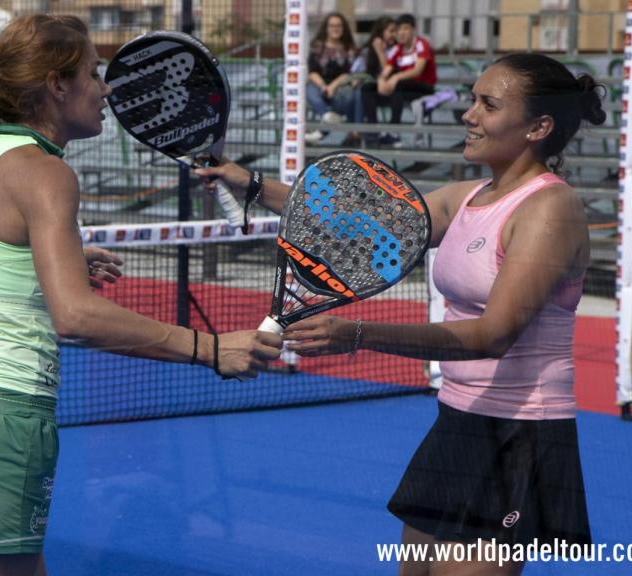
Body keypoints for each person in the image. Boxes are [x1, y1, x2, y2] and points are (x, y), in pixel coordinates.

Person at [0, 14, 282, 576]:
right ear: (56, 85)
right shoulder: (46, 173)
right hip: (1, 414)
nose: (106, 90)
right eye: (94, 74)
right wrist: (211, 348)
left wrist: (60, 261)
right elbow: (74, 316)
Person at [196, 52, 606, 575]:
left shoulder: (551, 209)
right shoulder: (468, 198)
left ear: (538, 127)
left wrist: (359, 334)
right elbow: (350, 223)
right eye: (472, 100)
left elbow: (493, 335)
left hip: (519, 432)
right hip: (458, 418)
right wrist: (248, 183)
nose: (469, 115)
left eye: (488, 104)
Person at [360, 13, 436, 147]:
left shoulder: (421, 44)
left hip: (423, 86)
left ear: (413, 30)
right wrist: (381, 81)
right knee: (367, 88)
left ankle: (393, 132)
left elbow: (417, 70)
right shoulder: (397, 48)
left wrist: (395, 77)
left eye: (405, 28)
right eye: (398, 29)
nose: (401, 33)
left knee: (397, 87)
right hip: (403, 87)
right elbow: (387, 69)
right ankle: (373, 131)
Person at [304, 12, 358, 145]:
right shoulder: (317, 47)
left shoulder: (350, 49)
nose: (336, 29)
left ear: (343, 28)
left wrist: (333, 86)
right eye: (332, 26)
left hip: (341, 85)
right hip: (320, 84)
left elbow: (349, 73)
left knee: (350, 95)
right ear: (326, 28)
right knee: (309, 90)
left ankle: (323, 131)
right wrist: (324, 87)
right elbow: (312, 72)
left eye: (339, 26)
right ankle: (327, 115)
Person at [344, 16, 396, 147]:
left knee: (361, 91)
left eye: (394, 31)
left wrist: (380, 52)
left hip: (384, 90)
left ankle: (355, 133)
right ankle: (355, 132)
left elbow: (388, 73)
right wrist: (356, 79)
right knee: (354, 93)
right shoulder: (367, 51)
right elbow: (355, 71)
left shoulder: (395, 50)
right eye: (391, 31)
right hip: (366, 89)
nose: (394, 34)